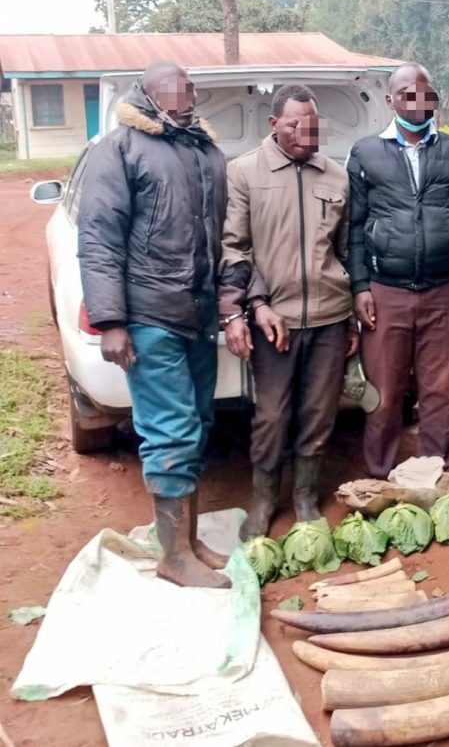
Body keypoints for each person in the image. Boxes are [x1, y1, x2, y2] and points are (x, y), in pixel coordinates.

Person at [78, 61, 230, 589]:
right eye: (172, 86)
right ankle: (172, 556)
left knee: (200, 424)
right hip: (148, 316)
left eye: (189, 85)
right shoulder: (118, 149)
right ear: (147, 94)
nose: (183, 93)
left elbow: (222, 233)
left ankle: (186, 541)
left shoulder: (204, 148)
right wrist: (111, 321)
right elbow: (98, 237)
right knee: (172, 431)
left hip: (198, 315)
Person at [219, 84, 357, 540]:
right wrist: (252, 306)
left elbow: (347, 250)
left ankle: (304, 497)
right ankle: (262, 502)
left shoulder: (336, 176)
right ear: (274, 124)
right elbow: (235, 249)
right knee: (272, 415)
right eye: (297, 124)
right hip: (273, 320)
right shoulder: (243, 173)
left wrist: (352, 313)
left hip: (330, 318)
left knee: (319, 413)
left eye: (313, 123)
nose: (306, 131)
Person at [347, 63, 449, 479]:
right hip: (385, 292)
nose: (417, 99)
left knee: (439, 391)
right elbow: (353, 228)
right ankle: (380, 477)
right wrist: (359, 286)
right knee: (385, 393)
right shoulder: (365, 153)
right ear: (390, 100)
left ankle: (434, 476)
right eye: (406, 92)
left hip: (443, 291)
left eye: (424, 92)